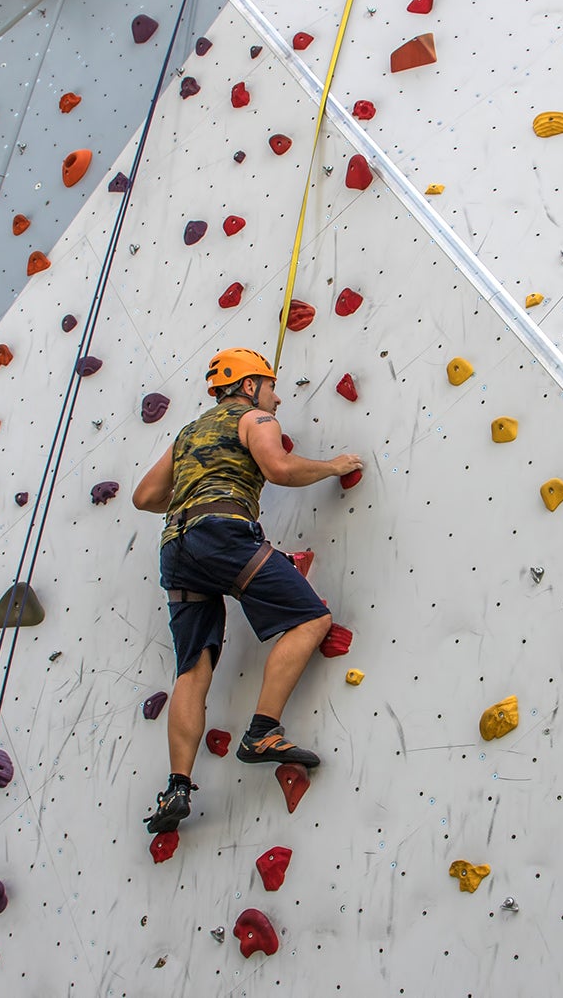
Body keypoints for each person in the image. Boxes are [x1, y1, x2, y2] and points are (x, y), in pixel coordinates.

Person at [131, 347, 362, 833]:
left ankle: (177, 786)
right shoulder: (254, 417)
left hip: (176, 547)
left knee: (193, 669)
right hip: (222, 532)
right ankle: (263, 732)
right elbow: (279, 469)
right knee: (311, 618)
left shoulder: (189, 433)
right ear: (248, 385)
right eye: (271, 386)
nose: (277, 399)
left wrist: (196, 492)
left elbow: (145, 497)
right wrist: (334, 465)